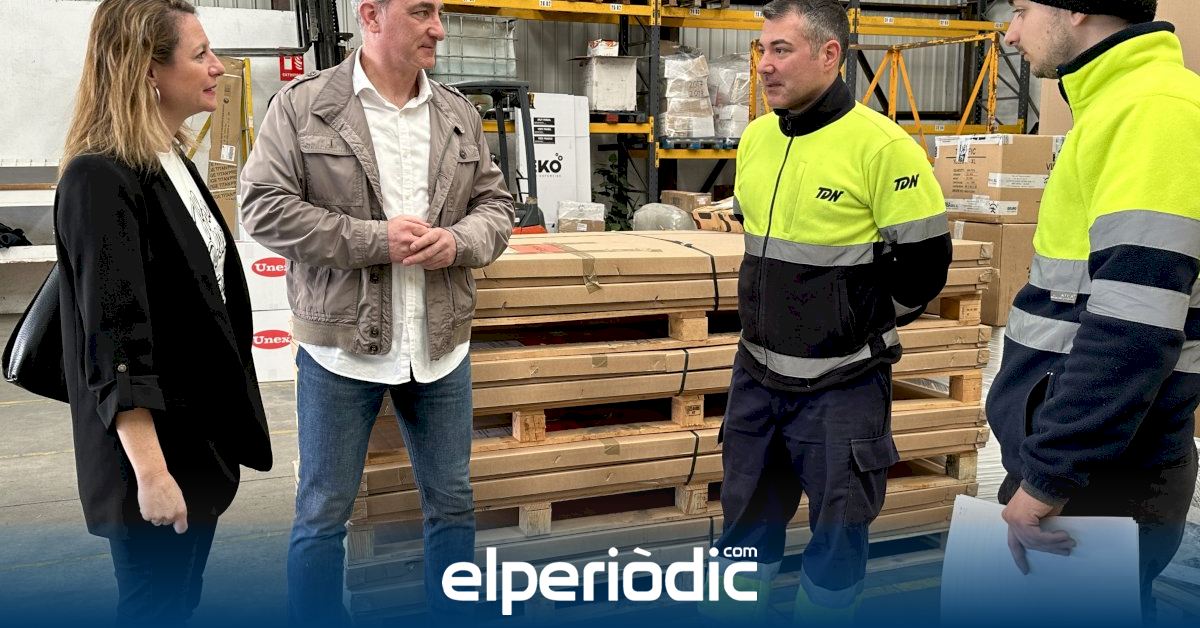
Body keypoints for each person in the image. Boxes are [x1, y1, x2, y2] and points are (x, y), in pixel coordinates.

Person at [239, 0, 514, 622]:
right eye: (422, 12)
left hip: (440, 346)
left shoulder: (457, 114)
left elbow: (496, 207)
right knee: (322, 513)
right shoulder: (305, 106)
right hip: (340, 350)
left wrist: (458, 242)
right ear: (371, 16)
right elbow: (263, 207)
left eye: (439, 13)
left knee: (453, 505)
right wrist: (374, 240)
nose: (439, 28)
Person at [706, 0, 952, 622]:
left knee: (839, 536)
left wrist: (853, 319)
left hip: (843, 384)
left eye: (781, 49)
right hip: (757, 378)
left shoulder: (883, 147)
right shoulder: (758, 139)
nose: (764, 65)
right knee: (742, 529)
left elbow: (925, 269)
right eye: (761, 49)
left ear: (829, 54)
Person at [54, 0, 273, 624]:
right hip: (151, 458)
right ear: (147, 70)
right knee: (155, 607)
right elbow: (115, 341)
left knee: (178, 603)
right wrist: (152, 474)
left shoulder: (168, 160)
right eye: (200, 54)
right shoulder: (100, 178)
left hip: (193, 443)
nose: (218, 66)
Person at [987, 0, 1199, 620]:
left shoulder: (1152, 112)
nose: (1011, 33)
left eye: (1022, 10)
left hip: (1102, 475)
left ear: (1076, 10)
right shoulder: (1118, 105)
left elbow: (1133, 327)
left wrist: (1050, 477)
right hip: (1086, 462)